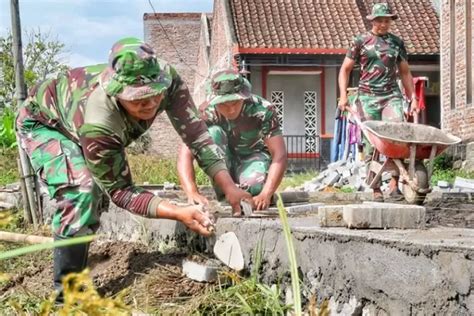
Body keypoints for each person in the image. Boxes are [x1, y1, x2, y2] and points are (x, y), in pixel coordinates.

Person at [15, 37, 251, 300]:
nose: (150, 104)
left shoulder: (167, 78)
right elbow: (122, 192)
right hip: (44, 124)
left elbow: (196, 135)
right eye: (138, 100)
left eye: (154, 94)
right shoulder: (99, 119)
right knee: (82, 190)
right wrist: (176, 212)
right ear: (117, 91)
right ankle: (66, 296)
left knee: (95, 188)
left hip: (79, 122)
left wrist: (228, 186)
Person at [337, 3, 419, 201]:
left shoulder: (397, 43)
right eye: (380, 20)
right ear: (372, 20)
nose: (384, 24)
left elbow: (405, 72)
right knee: (372, 142)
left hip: (391, 95)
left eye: (387, 20)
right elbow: (345, 69)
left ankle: (394, 183)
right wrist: (343, 96)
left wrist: (413, 98)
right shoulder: (360, 41)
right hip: (367, 97)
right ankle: (375, 188)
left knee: (397, 135)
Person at [177, 70, 287, 211]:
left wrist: (266, 193)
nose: (230, 109)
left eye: (235, 102)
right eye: (223, 104)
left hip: (252, 157)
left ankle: (248, 191)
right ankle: (226, 194)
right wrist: (192, 192)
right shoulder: (205, 113)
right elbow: (185, 154)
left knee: (254, 188)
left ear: (243, 97)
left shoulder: (262, 110)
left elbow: (279, 154)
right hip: (221, 163)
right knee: (211, 133)